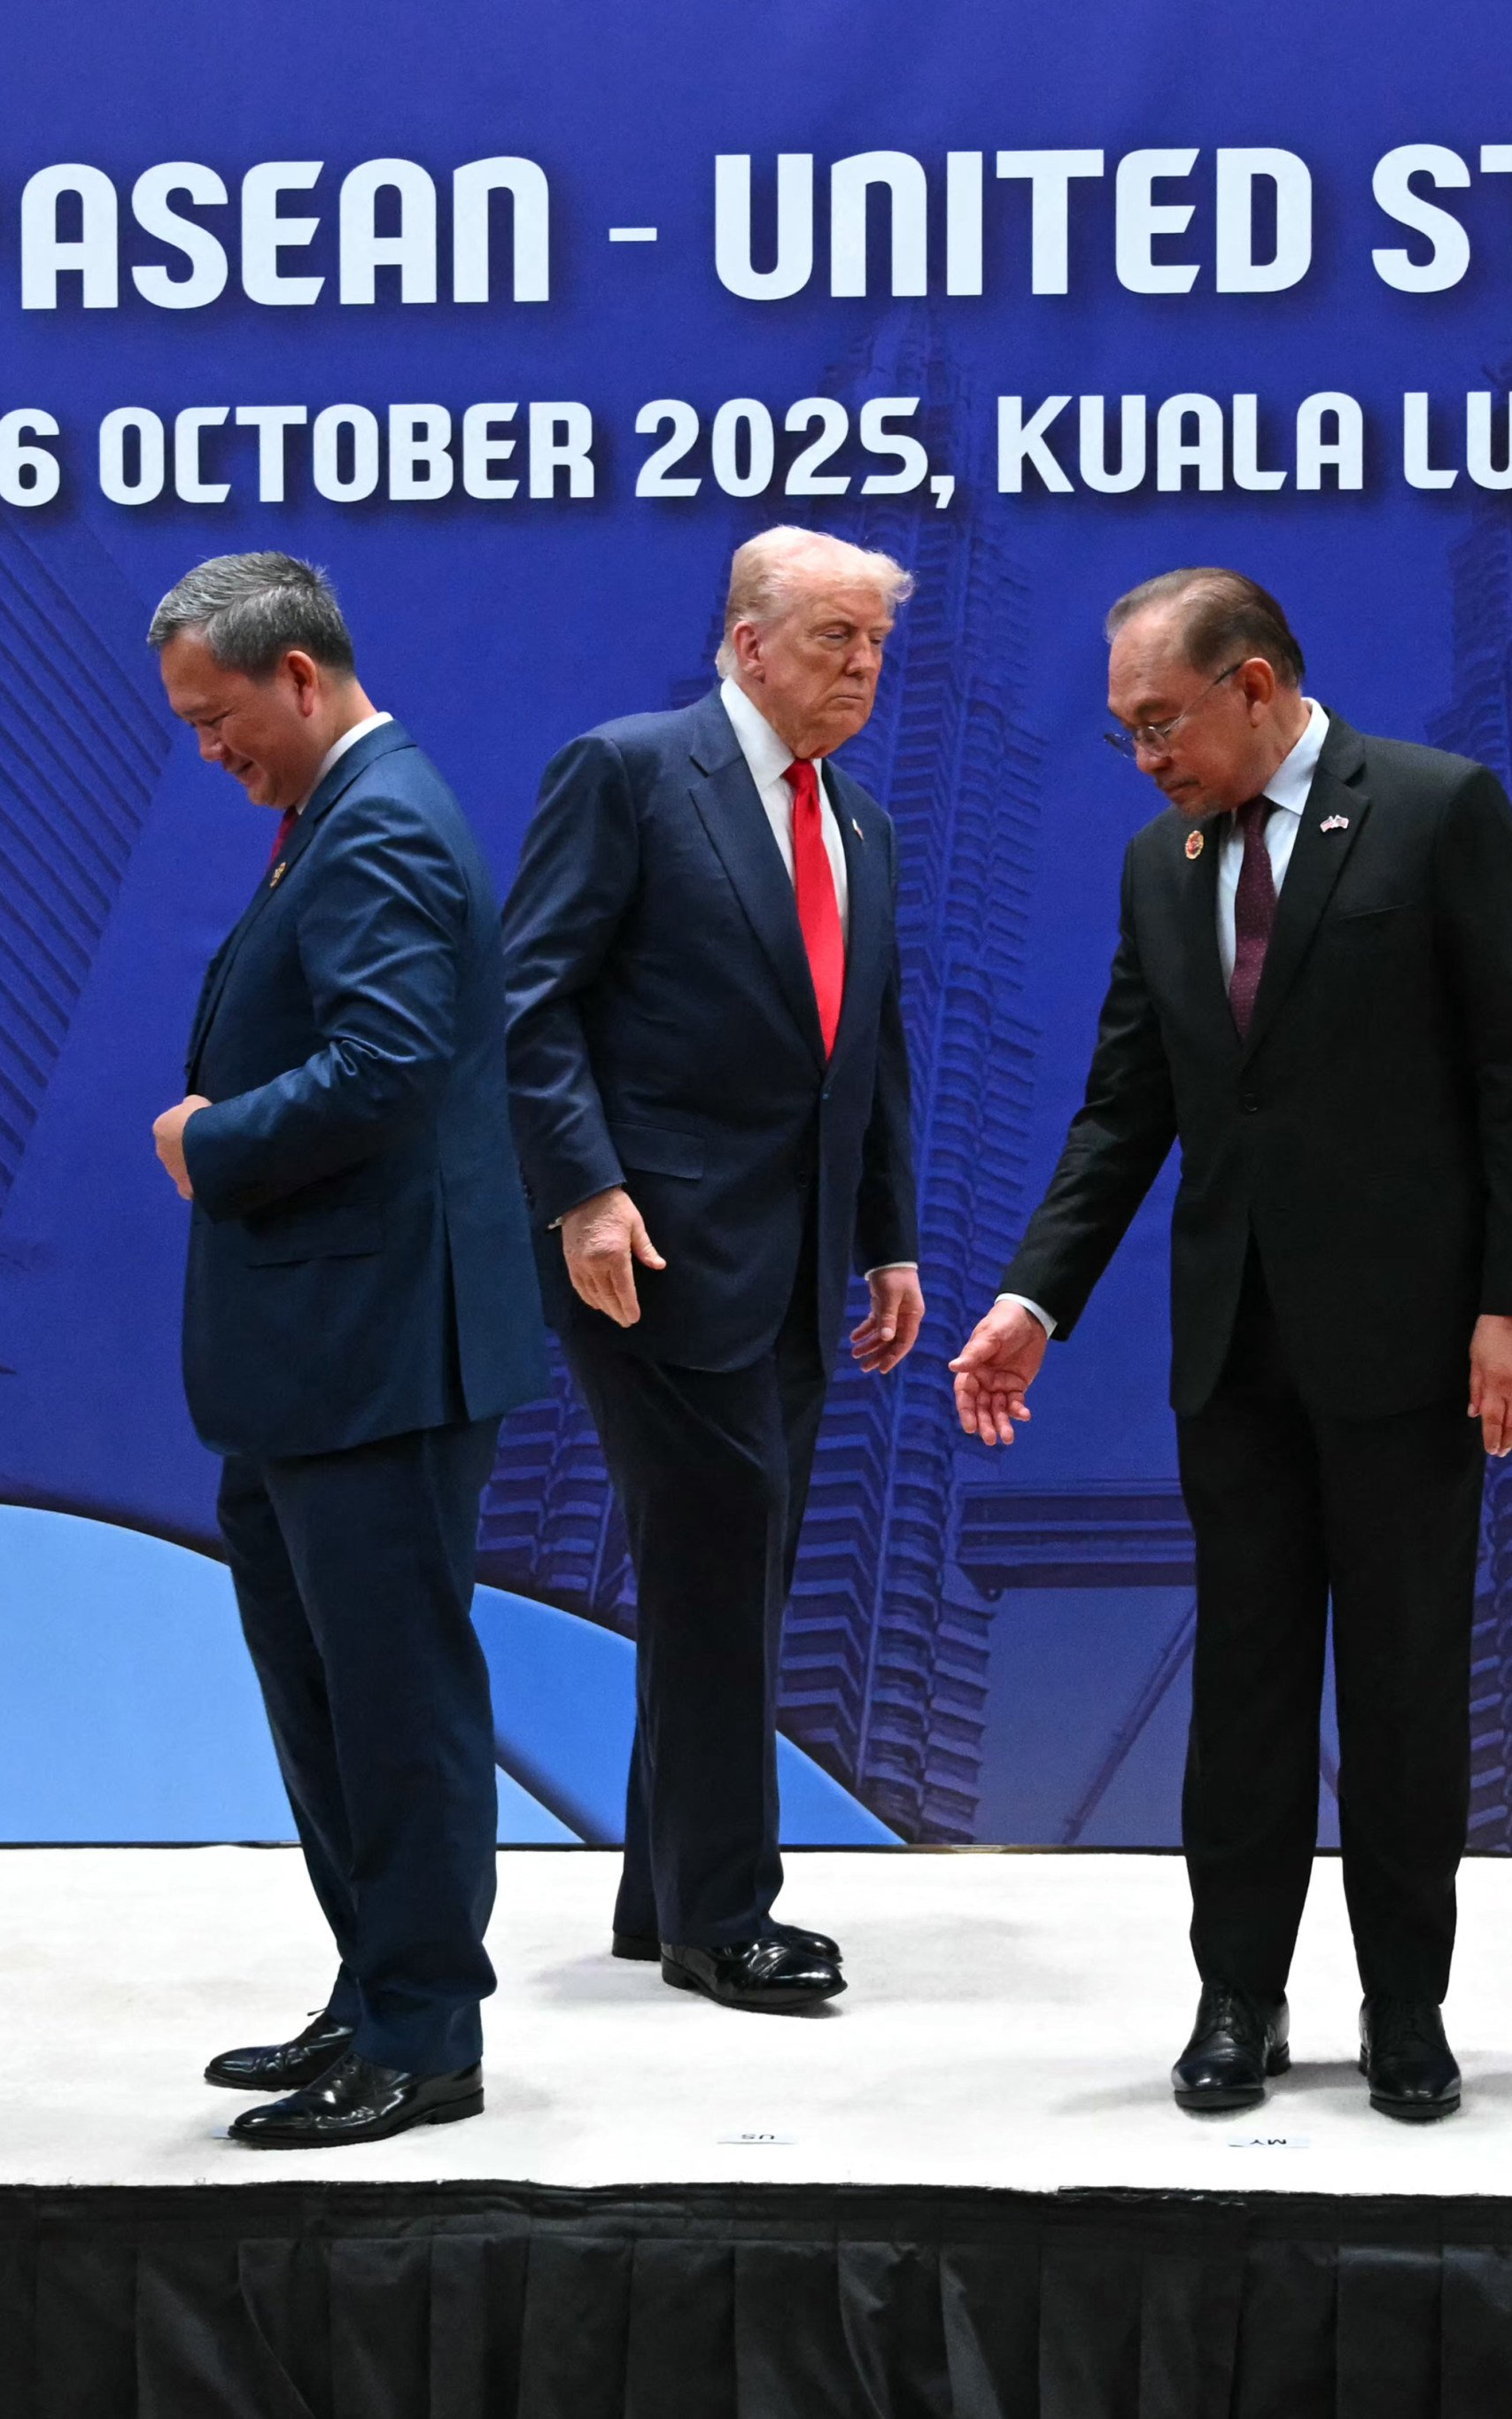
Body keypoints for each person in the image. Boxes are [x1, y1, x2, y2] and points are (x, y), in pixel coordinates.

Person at [949, 569, 1512, 2122]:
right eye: (1124, 735)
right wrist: (1033, 1297)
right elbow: (1122, 1111)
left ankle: (1406, 2011)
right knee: (1245, 1688)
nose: (1146, 757)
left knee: (1410, 1687)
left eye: (1161, 722)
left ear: (1260, 682)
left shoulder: (1435, 808)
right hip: (1234, 1349)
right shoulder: (1165, 867)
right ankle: (1240, 1996)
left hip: (1416, 1343)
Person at [150, 553, 547, 2148]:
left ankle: (424, 2036)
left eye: (219, 715)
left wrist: (212, 1137)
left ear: (300, 676)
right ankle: (375, 1981)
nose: (208, 750)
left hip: (376, 1349)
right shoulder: (339, 813)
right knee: (330, 1693)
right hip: (319, 1356)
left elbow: (386, 1061)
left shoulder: (377, 822)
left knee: (393, 1701)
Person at [501, 528, 921, 2012]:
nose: (861, 667)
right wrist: (585, 1193)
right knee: (723, 1558)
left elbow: (865, 1052)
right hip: (653, 1258)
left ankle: (659, 1888)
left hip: (798, 1272)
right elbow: (532, 1001)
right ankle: (721, 1917)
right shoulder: (627, 771)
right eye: (832, 639)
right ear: (747, 643)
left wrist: (887, 1237)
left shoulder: (857, 821)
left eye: (874, 642)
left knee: (726, 1577)